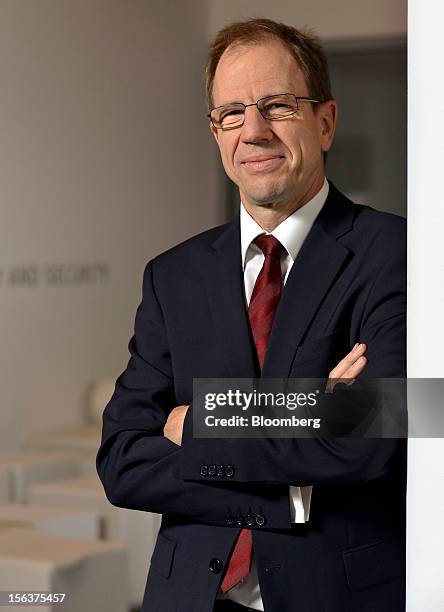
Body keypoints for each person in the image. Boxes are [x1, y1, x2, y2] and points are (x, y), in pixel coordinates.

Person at [96, 18, 406, 612]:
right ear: (217, 134)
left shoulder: (397, 254)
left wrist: (203, 419)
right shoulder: (172, 276)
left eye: (278, 106)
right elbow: (122, 460)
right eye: (231, 113)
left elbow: (379, 429)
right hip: (190, 596)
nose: (254, 131)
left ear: (326, 121)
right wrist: (300, 459)